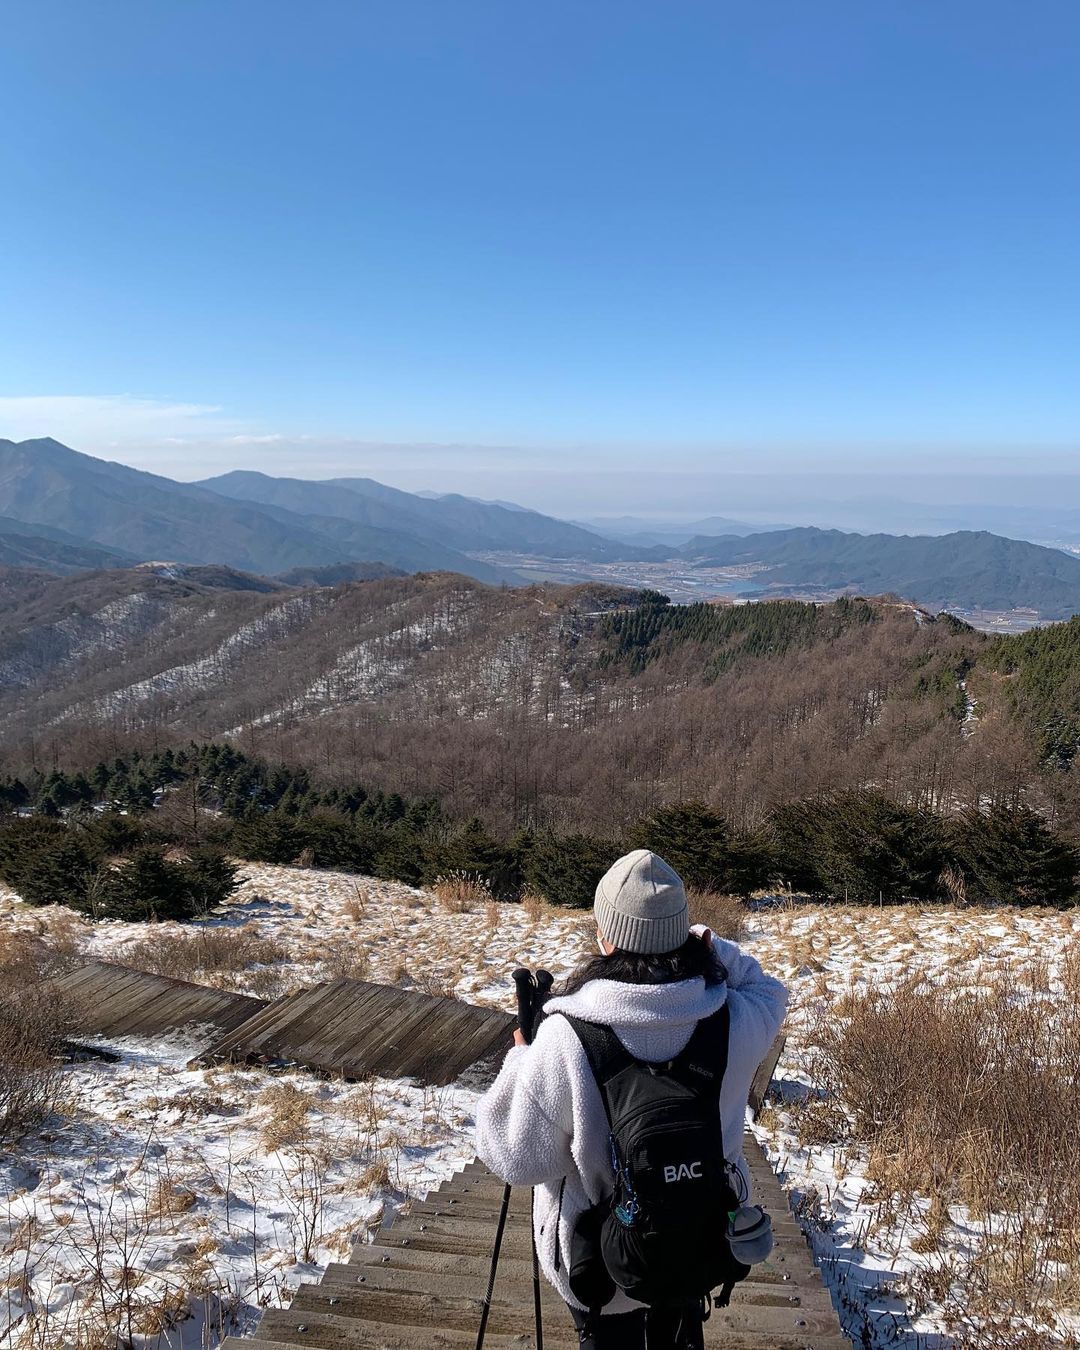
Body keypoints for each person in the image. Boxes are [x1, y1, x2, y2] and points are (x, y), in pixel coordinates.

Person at [475, 848, 788, 1349]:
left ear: (606, 936)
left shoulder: (567, 1036)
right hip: (698, 1242)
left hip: (601, 1265)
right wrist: (705, 941)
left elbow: (513, 1158)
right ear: (682, 933)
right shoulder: (736, 1018)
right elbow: (770, 987)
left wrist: (520, 1060)